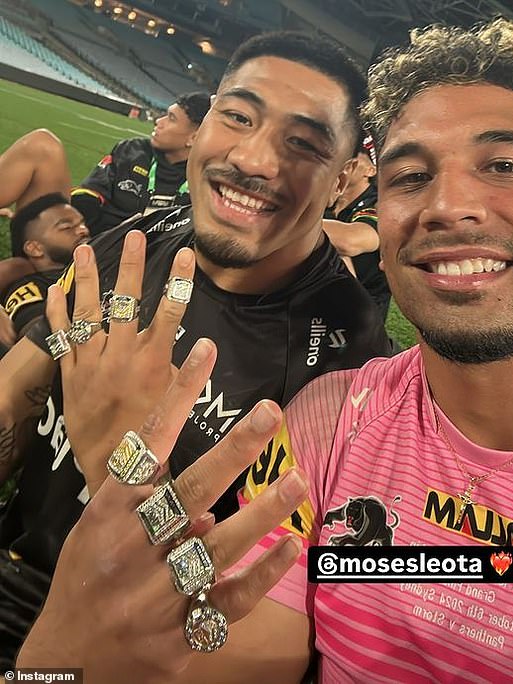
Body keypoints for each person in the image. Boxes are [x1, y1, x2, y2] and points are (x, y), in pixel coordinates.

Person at [16, 17, 513, 683]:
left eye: (506, 165)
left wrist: (120, 473)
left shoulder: (332, 352)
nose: (449, 203)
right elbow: (228, 650)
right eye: (411, 175)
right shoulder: (333, 421)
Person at [0, 31, 393, 667]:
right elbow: (18, 390)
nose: (255, 160)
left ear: (346, 178)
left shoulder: (345, 364)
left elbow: (251, 630)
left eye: (303, 143)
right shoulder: (143, 239)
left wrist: (122, 470)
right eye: (237, 116)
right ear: (204, 124)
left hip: (123, 658)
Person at [70, 91, 212, 235]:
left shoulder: (205, 180)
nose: (159, 121)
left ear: (194, 138)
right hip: (102, 243)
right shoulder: (131, 151)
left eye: (171, 118)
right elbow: (88, 194)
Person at [0, 194, 90, 341]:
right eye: (67, 227)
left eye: (82, 223)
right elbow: (39, 342)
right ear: (35, 248)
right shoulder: (30, 288)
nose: (83, 230)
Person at [324, 135, 391, 319]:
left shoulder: (379, 204)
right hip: (321, 299)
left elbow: (350, 241)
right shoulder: (330, 197)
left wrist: (284, 219)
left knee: (336, 250)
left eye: (357, 154)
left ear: (370, 170)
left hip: (361, 316)